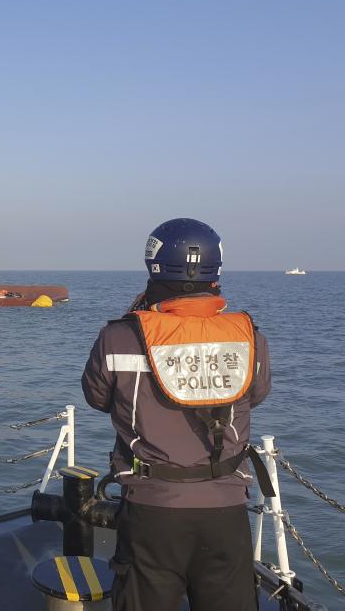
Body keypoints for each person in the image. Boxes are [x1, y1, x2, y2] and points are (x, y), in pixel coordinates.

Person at [81, 218, 272, 611]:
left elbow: (97, 398)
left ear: (153, 265)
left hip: (152, 508)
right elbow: (255, 395)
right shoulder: (249, 336)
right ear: (216, 270)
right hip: (226, 507)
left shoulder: (120, 337)